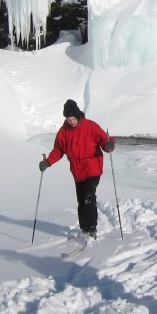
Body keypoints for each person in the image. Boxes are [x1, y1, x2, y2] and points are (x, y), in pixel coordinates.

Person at [39, 99, 116, 239]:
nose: (71, 121)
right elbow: (58, 150)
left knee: (88, 197)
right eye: (68, 119)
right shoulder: (63, 132)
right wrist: (48, 162)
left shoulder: (91, 126)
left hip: (93, 168)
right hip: (77, 171)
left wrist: (109, 145)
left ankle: (92, 229)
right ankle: (84, 229)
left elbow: (105, 140)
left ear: (78, 115)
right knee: (81, 200)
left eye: (73, 118)